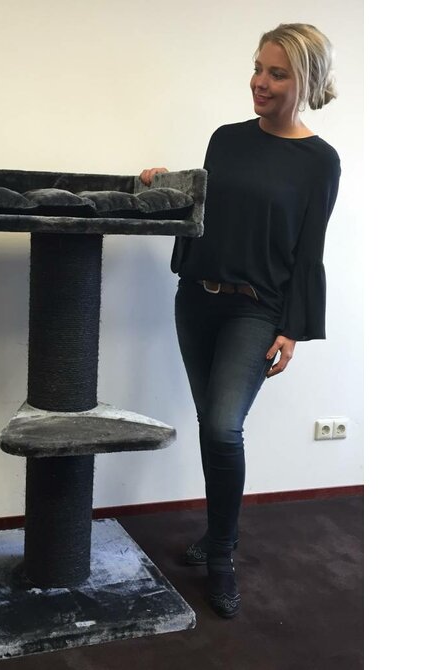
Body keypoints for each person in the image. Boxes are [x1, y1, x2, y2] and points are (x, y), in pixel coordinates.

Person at [140, 23, 341, 619]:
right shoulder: (225, 140)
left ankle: (222, 554)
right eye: (258, 68)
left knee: (225, 426)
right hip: (197, 299)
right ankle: (215, 535)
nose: (260, 82)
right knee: (212, 425)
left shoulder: (319, 161)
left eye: (277, 73)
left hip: (257, 309)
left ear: (305, 80)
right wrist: (161, 187)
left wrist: (293, 327)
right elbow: (206, 213)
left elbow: (309, 249)